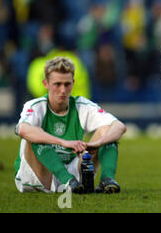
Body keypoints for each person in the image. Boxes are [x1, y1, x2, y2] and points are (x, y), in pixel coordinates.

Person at [14, 57, 127, 194]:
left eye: (67, 84)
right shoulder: (35, 106)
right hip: (38, 176)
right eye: (57, 84)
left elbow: (119, 126)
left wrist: (98, 143)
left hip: (74, 174)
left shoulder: (82, 105)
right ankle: (66, 180)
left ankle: (106, 180)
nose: (63, 90)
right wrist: (64, 142)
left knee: (108, 131)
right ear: (46, 84)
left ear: (73, 83)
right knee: (35, 133)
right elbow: (22, 130)